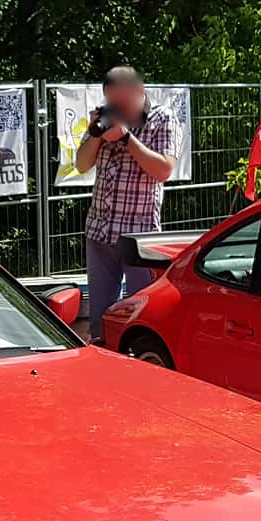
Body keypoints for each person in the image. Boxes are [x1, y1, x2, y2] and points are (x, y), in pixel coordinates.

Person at [75, 66, 179, 342]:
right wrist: (96, 134)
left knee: (139, 315)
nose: (117, 109)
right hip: (100, 232)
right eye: (112, 103)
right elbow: (81, 164)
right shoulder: (106, 117)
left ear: (139, 92)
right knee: (100, 320)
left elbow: (164, 171)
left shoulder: (162, 119)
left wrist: (126, 138)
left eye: (122, 103)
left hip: (139, 239)